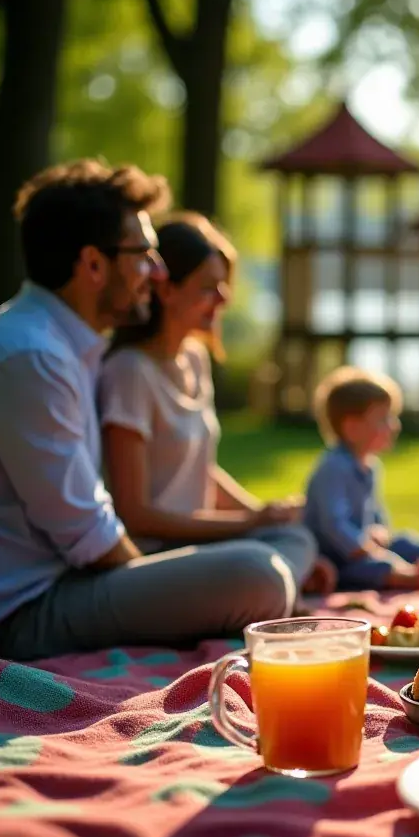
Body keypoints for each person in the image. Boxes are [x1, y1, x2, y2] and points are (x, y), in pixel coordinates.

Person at [0, 161, 310, 662]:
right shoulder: (31, 356)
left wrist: (178, 578)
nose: (158, 272)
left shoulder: (59, 347)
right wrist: (165, 583)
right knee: (256, 574)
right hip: (29, 610)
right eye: (144, 254)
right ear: (93, 264)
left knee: (276, 549)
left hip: (72, 580)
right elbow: (90, 536)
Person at [99, 211, 333, 596]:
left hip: (200, 545)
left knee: (295, 536)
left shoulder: (194, 357)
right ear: (166, 289)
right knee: (261, 567)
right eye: (208, 287)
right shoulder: (129, 373)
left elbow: (200, 472)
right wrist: (249, 523)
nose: (223, 298)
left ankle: (276, 589)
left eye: (224, 285)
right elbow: (135, 514)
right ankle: (274, 591)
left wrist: (264, 516)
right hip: (150, 559)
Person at [303, 366, 419, 590]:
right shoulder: (333, 468)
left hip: (365, 545)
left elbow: (375, 512)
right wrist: (362, 546)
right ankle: (405, 575)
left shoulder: (370, 467)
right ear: (352, 428)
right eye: (383, 419)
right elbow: (333, 524)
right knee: (370, 567)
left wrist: (380, 531)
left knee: (404, 542)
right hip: (335, 558)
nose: (394, 425)